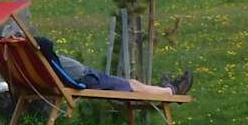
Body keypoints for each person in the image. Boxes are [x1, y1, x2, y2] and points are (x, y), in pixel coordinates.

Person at [34, 35, 192, 97]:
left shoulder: (34, 58)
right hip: (87, 78)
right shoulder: (45, 54)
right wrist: (34, 40)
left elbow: (46, 44)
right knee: (133, 85)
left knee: (133, 84)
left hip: (86, 75)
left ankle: (162, 88)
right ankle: (170, 90)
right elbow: (47, 43)